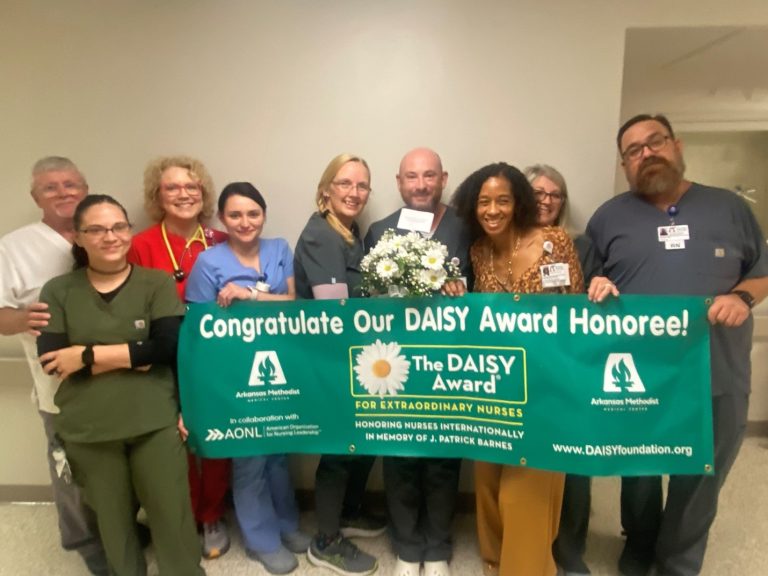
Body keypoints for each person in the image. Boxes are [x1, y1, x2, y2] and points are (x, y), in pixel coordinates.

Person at [586, 113, 768, 576]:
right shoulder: (609, 217)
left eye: (655, 142)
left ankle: (678, 559)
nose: (647, 154)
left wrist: (742, 297)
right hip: (637, 373)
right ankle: (640, 542)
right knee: (638, 467)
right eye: (634, 150)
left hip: (716, 369)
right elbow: (586, 281)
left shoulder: (729, 208)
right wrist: (597, 285)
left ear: (676, 145)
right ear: (624, 164)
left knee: (703, 471)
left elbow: (761, 271)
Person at [36, 194, 204, 576]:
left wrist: (86, 355)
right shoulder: (58, 291)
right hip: (90, 429)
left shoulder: (155, 283)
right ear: (78, 237)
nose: (109, 236)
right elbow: (53, 361)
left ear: (129, 231)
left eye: (118, 227)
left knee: (173, 516)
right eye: (96, 229)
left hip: (154, 421)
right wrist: (134, 356)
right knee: (113, 524)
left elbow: (165, 349)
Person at [451, 162, 584, 576]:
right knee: (489, 486)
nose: (492, 210)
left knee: (524, 496)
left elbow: (577, 310)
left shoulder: (554, 241)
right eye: (484, 202)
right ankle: (495, 563)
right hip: (495, 390)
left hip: (547, 390)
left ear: (519, 203)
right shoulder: (478, 252)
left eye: (503, 200)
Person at [185, 182, 310, 574]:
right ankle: (261, 540)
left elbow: (293, 302)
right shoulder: (208, 262)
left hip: (280, 364)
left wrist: (248, 296)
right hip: (235, 374)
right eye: (235, 215)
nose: (245, 222)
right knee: (249, 456)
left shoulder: (279, 249)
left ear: (264, 215)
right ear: (223, 219)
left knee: (278, 452)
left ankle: (287, 524)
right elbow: (198, 329)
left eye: (253, 213)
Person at [364, 148, 471, 576]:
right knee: (401, 455)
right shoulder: (379, 231)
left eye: (429, 175)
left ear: (443, 179)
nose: (421, 184)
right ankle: (408, 548)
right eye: (412, 176)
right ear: (399, 182)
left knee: (444, 457)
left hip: (449, 364)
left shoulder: (466, 227)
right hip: (397, 365)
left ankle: (438, 547)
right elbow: (367, 300)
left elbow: (486, 285)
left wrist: (461, 287)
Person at [0, 156, 109, 575]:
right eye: (51, 187)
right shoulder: (14, 247)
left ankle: (115, 529)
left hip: (112, 374)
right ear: (35, 197)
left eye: (71, 184)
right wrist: (23, 319)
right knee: (71, 468)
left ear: (85, 189)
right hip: (58, 384)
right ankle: (84, 539)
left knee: (111, 463)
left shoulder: (104, 235)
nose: (63, 193)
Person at [128, 155, 231, 559]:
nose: (183, 194)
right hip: (163, 356)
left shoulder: (222, 240)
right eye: (172, 187)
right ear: (157, 196)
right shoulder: (140, 245)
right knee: (174, 439)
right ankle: (183, 514)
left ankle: (212, 514)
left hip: (216, 358)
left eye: (192, 186)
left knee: (218, 433)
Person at [295, 154, 381, 576]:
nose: (354, 192)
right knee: (340, 447)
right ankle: (325, 541)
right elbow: (335, 314)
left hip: (357, 357)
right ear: (326, 189)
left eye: (362, 185)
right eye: (345, 183)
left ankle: (348, 512)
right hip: (332, 359)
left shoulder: (350, 232)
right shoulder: (320, 236)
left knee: (363, 441)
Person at [524, 164, 599, 576]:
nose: (546, 200)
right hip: (520, 371)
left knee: (574, 461)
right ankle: (530, 546)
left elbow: (595, 295)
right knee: (526, 466)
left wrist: (603, 288)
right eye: (537, 192)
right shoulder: (502, 243)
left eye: (554, 194)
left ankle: (570, 550)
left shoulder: (581, 245)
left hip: (570, 369)